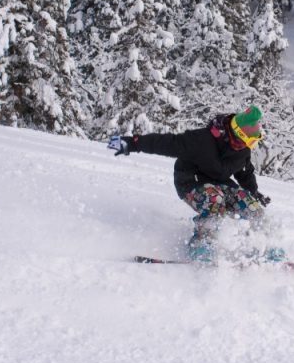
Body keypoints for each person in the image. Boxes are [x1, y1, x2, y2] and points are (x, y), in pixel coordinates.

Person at [107, 105, 278, 261]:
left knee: (252, 206)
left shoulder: (242, 150)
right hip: (191, 182)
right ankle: (202, 246)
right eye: (250, 140)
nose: (250, 145)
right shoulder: (200, 141)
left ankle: (263, 247)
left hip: (220, 184)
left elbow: (245, 174)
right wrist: (131, 144)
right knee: (215, 199)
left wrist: (254, 194)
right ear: (239, 134)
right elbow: (166, 143)